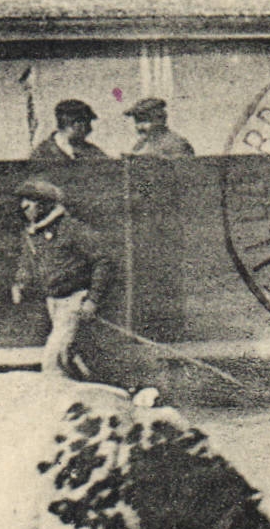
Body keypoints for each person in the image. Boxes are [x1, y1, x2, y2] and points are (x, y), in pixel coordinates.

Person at [12, 177, 111, 379]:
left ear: (44, 204)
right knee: (70, 355)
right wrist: (20, 284)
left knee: (53, 360)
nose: (24, 207)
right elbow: (27, 262)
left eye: (29, 201)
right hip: (53, 304)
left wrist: (93, 300)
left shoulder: (71, 228)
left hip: (74, 301)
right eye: (23, 201)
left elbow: (104, 261)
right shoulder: (33, 234)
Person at [33, 99, 109, 161]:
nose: (90, 129)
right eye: (87, 124)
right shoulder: (42, 153)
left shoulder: (93, 152)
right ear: (77, 123)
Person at [124, 96, 195, 156]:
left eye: (144, 120)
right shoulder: (141, 144)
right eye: (137, 121)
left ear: (159, 119)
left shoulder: (175, 144)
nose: (139, 127)